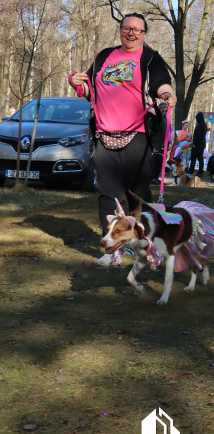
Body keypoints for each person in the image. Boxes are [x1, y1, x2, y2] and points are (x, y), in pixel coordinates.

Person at [68, 13, 177, 263]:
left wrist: (167, 93)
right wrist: (75, 81)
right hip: (104, 136)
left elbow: (160, 82)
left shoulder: (150, 58)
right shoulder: (105, 56)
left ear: (144, 34)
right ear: (120, 30)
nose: (131, 33)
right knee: (107, 193)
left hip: (137, 135)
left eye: (137, 30)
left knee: (138, 194)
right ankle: (112, 250)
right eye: (127, 28)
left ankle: (149, 244)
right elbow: (88, 89)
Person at [189, 112, 208, 177]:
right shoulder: (204, 125)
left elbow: (197, 136)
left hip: (197, 145)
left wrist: (194, 143)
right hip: (202, 144)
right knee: (200, 159)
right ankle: (200, 172)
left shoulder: (200, 125)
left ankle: (191, 171)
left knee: (193, 158)